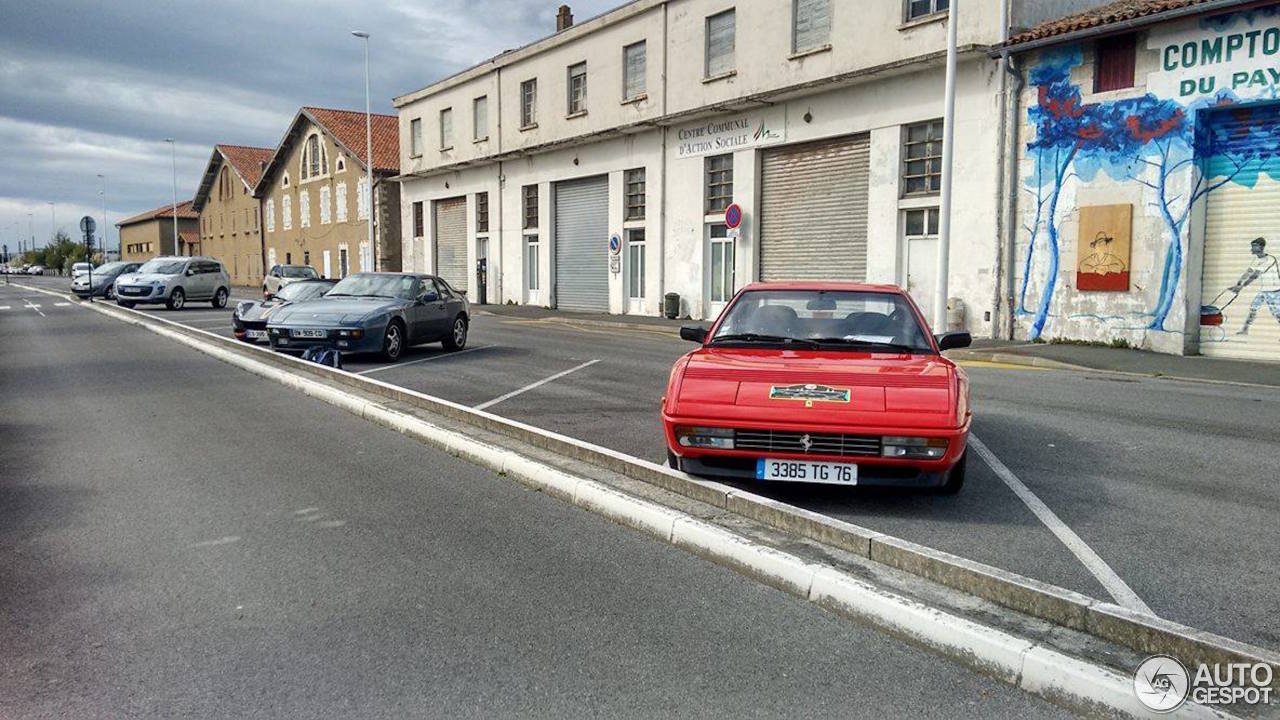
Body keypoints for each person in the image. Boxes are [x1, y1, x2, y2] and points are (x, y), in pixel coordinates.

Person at [1232, 237, 1280, 336]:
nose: (1252, 248)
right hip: (1264, 290)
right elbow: (1248, 272)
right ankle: (1245, 330)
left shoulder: (1269, 259)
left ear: (1261, 247)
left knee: (1277, 314)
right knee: (1253, 308)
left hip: (1273, 291)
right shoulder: (1257, 259)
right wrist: (1238, 283)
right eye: (1252, 246)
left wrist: (1241, 287)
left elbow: (1254, 275)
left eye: (1254, 246)